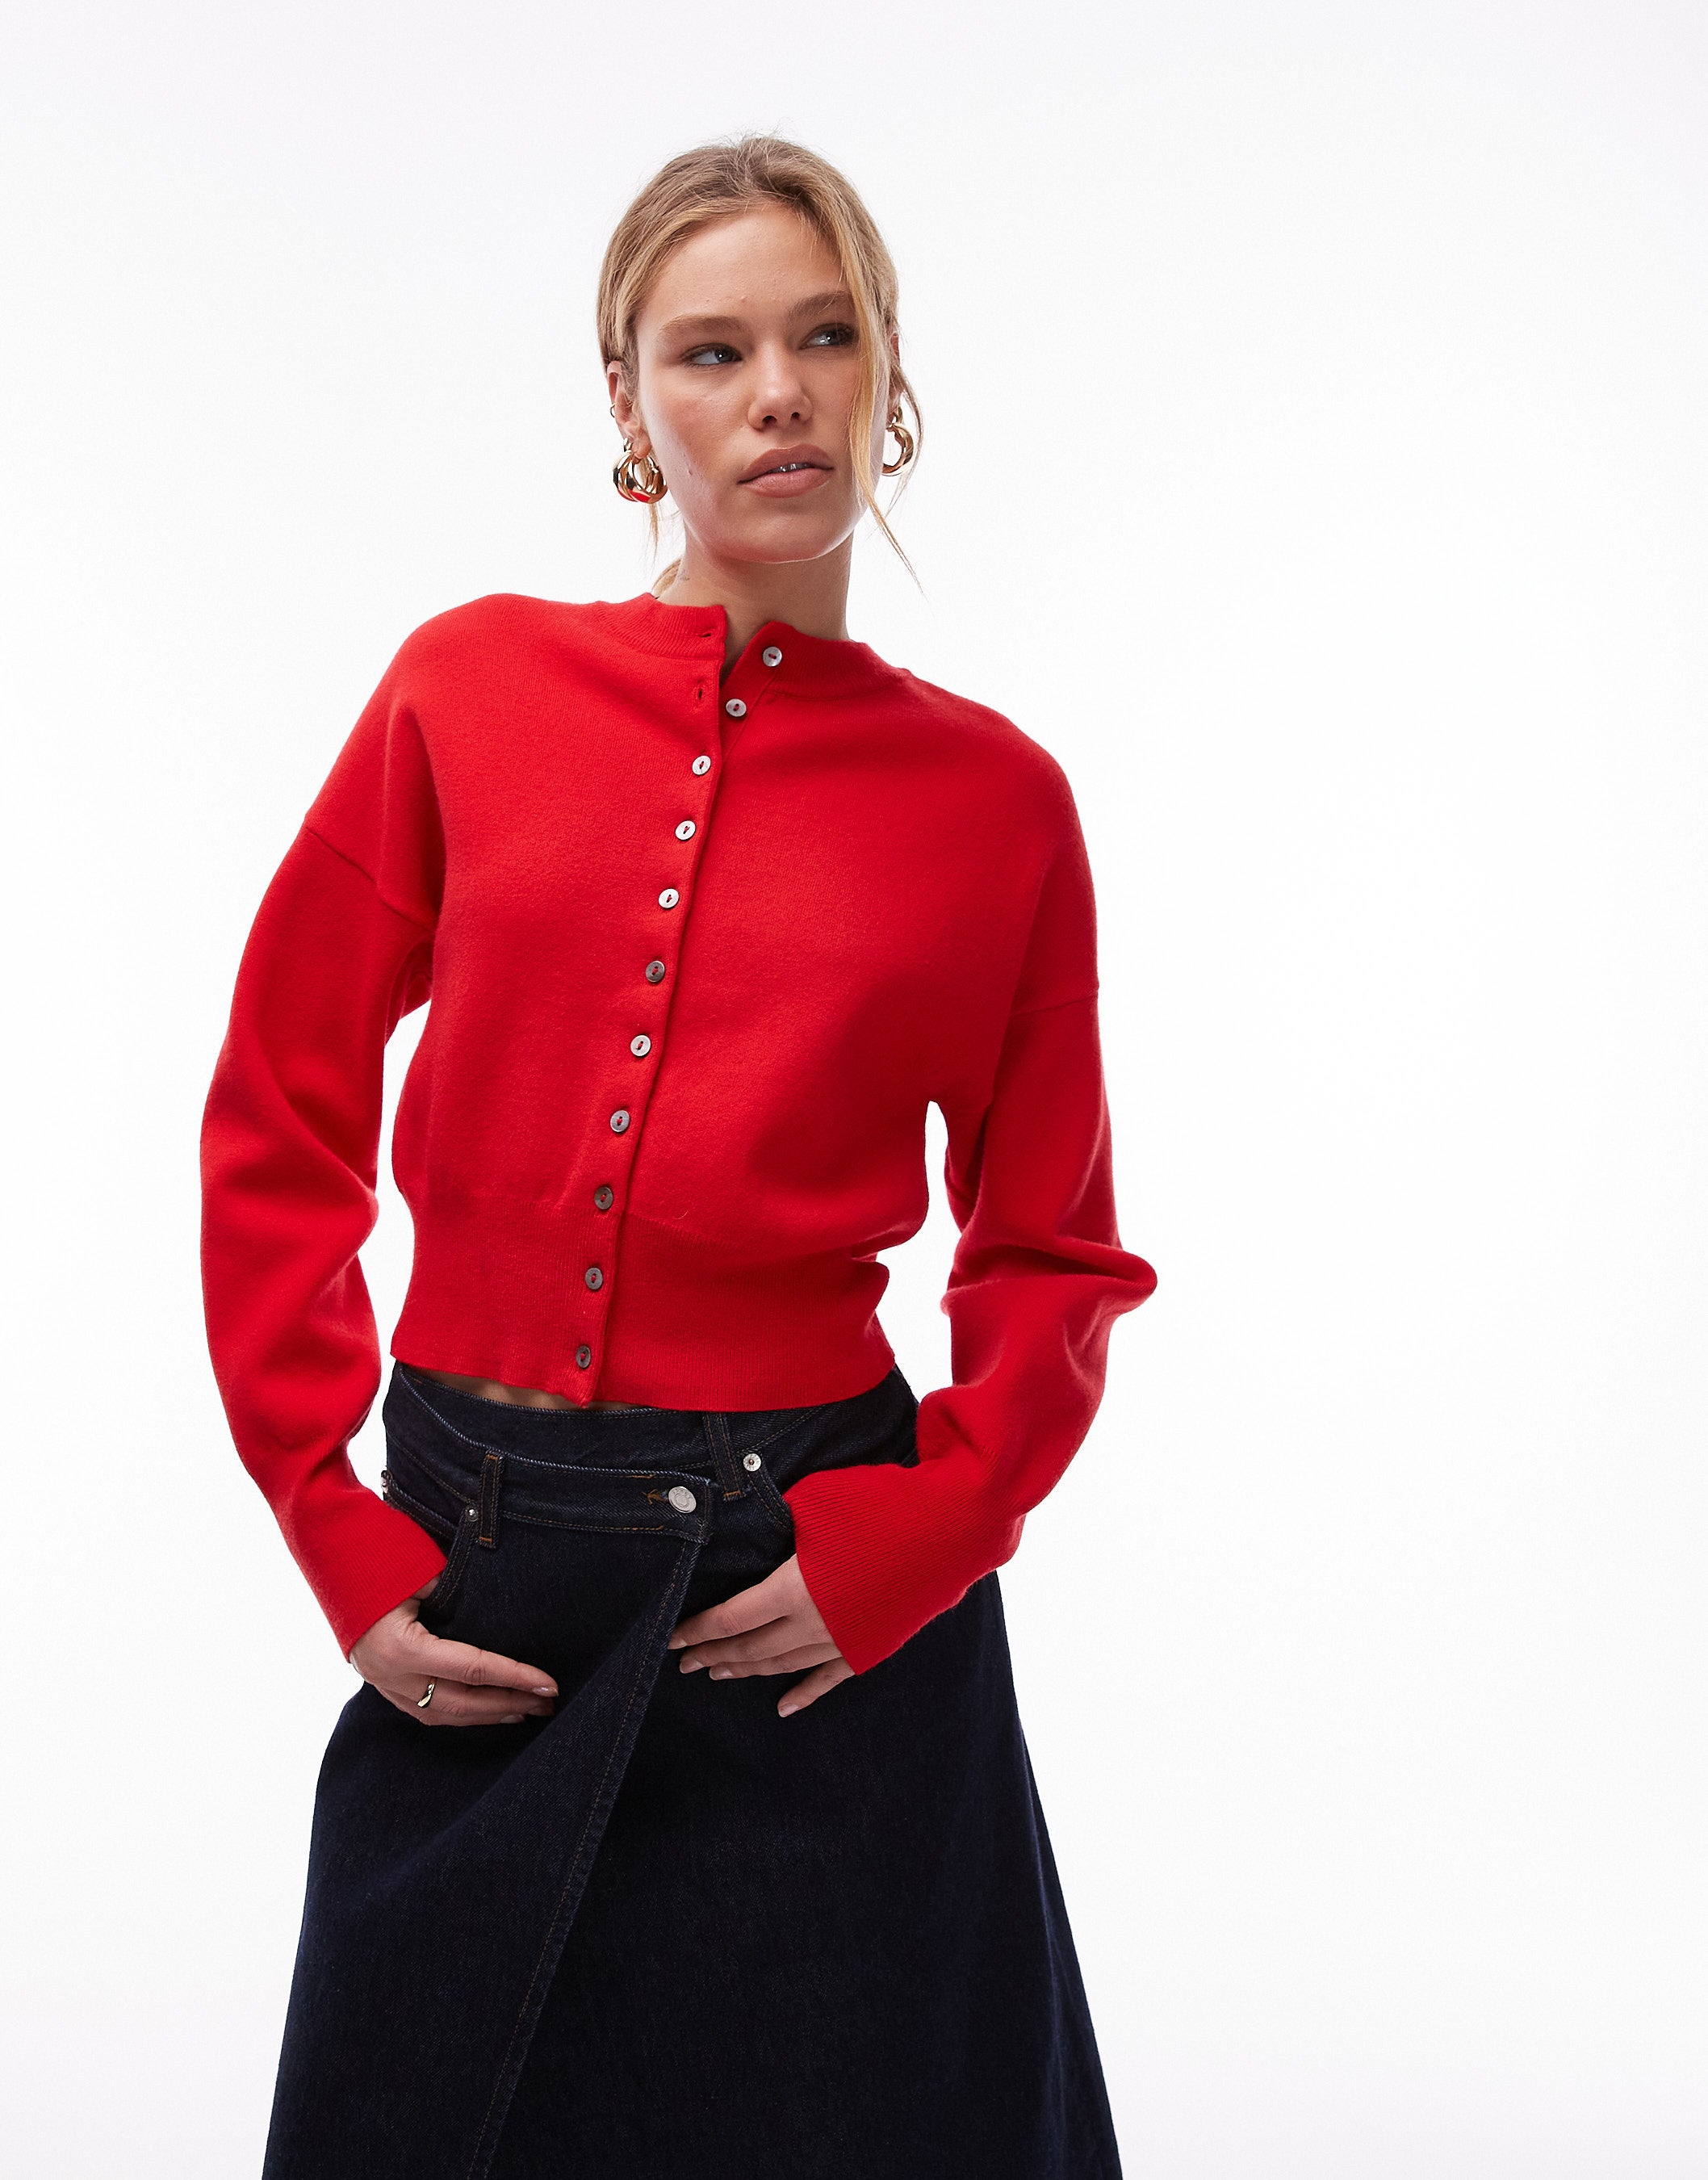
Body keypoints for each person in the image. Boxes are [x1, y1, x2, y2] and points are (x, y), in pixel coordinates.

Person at [200, 132, 1156, 2180]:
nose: (775, 393)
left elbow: (1051, 1255)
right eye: (709, 351)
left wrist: (923, 1536)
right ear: (628, 405)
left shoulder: (996, 802)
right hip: (484, 1572)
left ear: (887, 377)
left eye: (824, 336)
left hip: (808, 1593)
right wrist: (327, 1518)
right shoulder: (463, 690)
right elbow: (280, 1109)